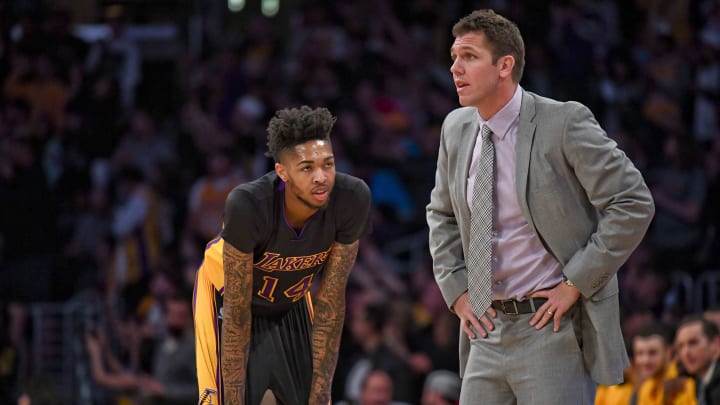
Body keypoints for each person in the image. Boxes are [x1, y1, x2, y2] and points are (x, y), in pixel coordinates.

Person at [425, 9, 655, 404]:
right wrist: (457, 291)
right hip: (484, 329)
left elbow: (633, 203)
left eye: (469, 57)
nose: (454, 68)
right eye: (453, 57)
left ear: (505, 65)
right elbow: (441, 214)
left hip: (549, 327)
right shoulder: (456, 128)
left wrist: (576, 282)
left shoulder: (563, 122)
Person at [195, 105, 372, 404]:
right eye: (307, 168)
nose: (321, 177)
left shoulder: (352, 198)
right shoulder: (248, 204)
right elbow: (238, 314)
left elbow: (331, 303)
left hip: (289, 297)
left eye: (328, 164)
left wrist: (321, 394)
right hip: (229, 297)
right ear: (282, 172)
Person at [675, 315, 720, 404]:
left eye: (693, 343)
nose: (686, 352)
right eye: (680, 346)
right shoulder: (698, 381)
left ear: (716, 344)